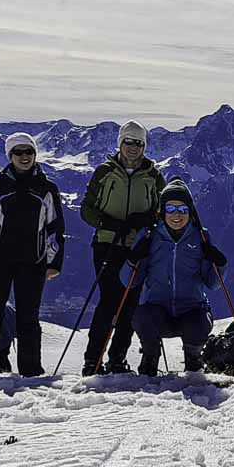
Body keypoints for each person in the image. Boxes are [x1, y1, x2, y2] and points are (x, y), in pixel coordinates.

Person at [0, 133, 64, 377]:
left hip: (34, 263)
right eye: (18, 152)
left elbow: (55, 229)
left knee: (29, 320)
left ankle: (30, 372)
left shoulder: (46, 188)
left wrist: (54, 263)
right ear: (10, 156)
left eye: (28, 152)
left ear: (34, 155)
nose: (24, 157)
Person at [79, 120, 165, 375]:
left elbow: (161, 211)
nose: (133, 148)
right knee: (108, 302)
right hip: (107, 243)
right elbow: (86, 208)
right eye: (129, 142)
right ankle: (92, 361)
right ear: (120, 143)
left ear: (144, 147)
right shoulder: (104, 172)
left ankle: (117, 359)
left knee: (130, 304)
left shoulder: (153, 176)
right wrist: (106, 222)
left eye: (138, 143)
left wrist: (147, 221)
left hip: (137, 247)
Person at [126, 179, 226, 375]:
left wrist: (219, 265)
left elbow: (213, 284)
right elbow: (129, 281)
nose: (177, 214)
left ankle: (193, 360)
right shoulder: (148, 236)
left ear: (191, 212)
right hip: (158, 311)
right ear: (162, 211)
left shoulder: (201, 237)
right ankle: (150, 358)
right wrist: (133, 260)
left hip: (192, 309)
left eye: (182, 209)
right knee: (141, 316)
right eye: (171, 208)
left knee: (198, 324)